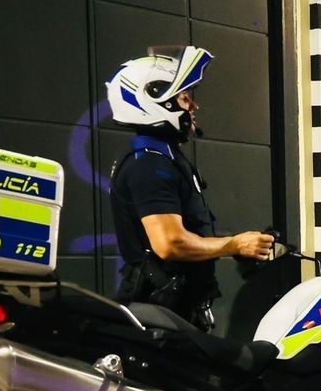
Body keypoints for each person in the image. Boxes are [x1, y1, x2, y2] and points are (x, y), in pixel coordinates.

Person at [106, 46, 273, 331]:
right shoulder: (150, 167)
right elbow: (170, 243)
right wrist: (233, 244)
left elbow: (189, 233)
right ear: (156, 100)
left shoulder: (165, 161)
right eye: (185, 98)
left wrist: (240, 248)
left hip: (173, 310)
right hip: (158, 316)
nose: (193, 107)